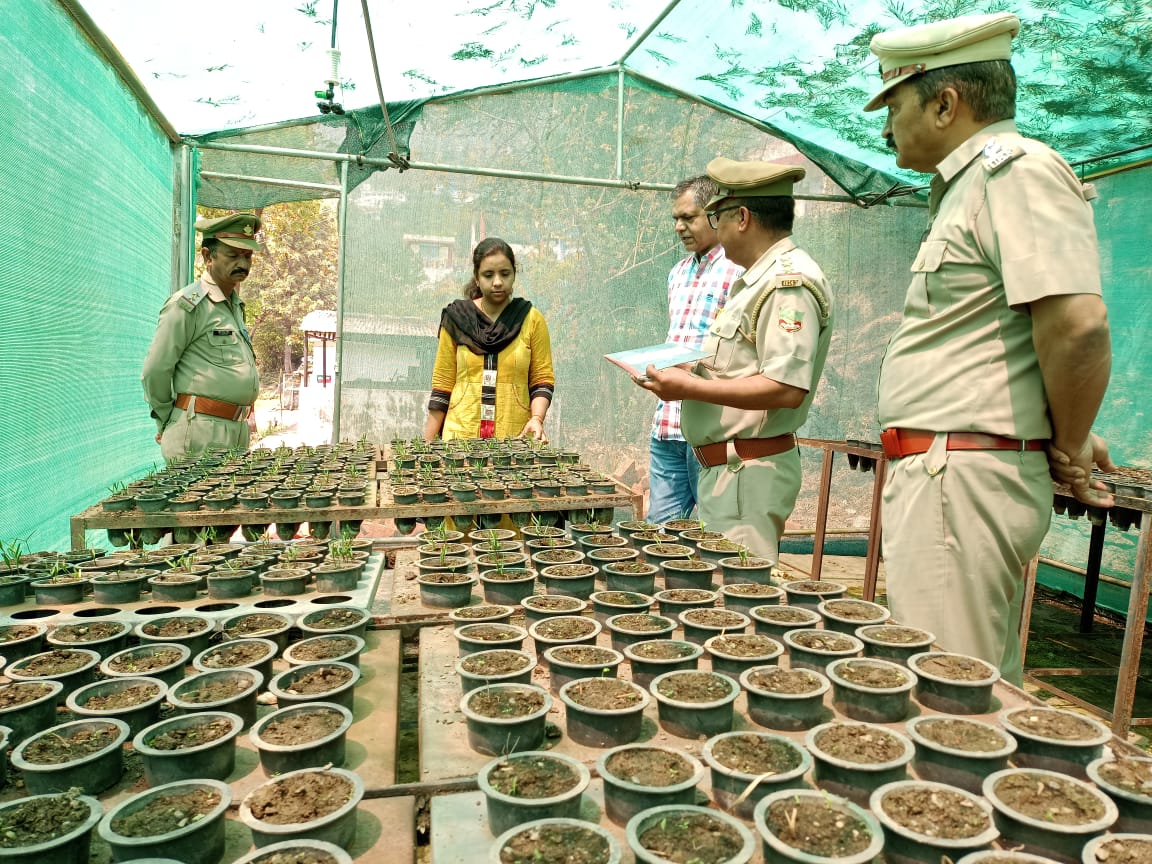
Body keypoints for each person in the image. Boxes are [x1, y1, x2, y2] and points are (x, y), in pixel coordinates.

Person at [865, 12, 1114, 684]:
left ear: (946, 103)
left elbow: (1077, 325)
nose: (885, 126)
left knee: (947, 696)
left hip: (963, 475)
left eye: (894, 104)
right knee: (973, 690)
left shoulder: (1016, 171)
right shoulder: (969, 186)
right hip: (955, 472)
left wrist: (1072, 443)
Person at [635, 158, 834, 564]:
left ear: (742, 217)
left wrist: (689, 387)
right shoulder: (754, 280)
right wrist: (696, 372)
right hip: (730, 471)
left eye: (715, 216)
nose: (713, 226)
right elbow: (742, 366)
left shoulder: (785, 283)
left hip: (748, 471)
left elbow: (786, 387)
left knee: (741, 598)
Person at [646, 176, 743, 524]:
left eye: (689, 217)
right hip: (668, 423)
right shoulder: (677, 273)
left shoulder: (740, 272)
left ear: (715, 214)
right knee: (659, 532)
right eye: (676, 219)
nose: (679, 227)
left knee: (715, 531)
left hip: (711, 425)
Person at [142, 213, 262, 461]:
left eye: (247, 256)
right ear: (208, 256)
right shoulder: (188, 304)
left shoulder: (234, 305)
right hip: (199, 433)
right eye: (233, 255)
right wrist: (170, 418)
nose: (243, 263)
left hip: (234, 431)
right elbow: (155, 370)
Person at [424, 237, 555, 442]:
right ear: (477, 278)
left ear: (514, 275)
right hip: (461, 439)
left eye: (505, 274)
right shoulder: (457, 319)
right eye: (488, 275)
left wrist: (537, 419)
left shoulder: (531, 319)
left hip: (515, 440)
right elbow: (442, 385)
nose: (497, 282)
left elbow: (542, 380)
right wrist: (427, 447)